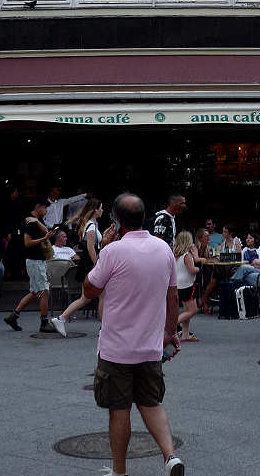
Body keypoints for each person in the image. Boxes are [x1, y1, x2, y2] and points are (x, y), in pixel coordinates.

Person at [81, 193, 185, 476]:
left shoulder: (112, 252)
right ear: (144, 217)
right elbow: (173, 297)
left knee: (119, 410)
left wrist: (103, 250)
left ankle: (119, 471)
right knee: (151, 404)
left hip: (116, 348)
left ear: (116, 221)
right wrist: (170, 331)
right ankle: (171, 457)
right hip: (151, 346)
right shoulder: (163, 249)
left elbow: (89, 289)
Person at [4, 197, 55, 333]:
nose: (46, 210)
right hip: (34, 260)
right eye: (45, 208)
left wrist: (38, 222)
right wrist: (44, 239)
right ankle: (44, 323)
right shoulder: (29, 223)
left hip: (37, 260)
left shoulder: (36, 221)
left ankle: (13, 317)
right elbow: (27, 242)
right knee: (44, 291)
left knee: (35, 292)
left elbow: (47, 231)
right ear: (38, 206)